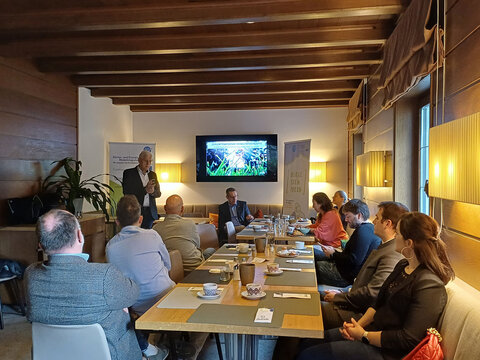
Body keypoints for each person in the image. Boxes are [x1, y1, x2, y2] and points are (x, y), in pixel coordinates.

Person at [297, 212, 455, 360]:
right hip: (372, 332)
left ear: (409, 243)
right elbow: (378, 302)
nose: (395, 237)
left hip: (388, 352)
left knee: (308, 355)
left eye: (398, 234)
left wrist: (364, 335)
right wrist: (358, 326)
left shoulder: (429, 284)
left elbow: (409, 339)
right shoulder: (402, 265)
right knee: (307, 342)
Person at [25, 209, 142, 360]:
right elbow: (134, 294)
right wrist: (120, 304)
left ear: (41, 245)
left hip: (53, 355)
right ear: (80, 236)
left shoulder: (30, 275)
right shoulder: (104, 275)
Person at [321, 201, 408, 330]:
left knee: (308, 309)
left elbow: (373, 293)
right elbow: (364, 283)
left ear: (387, 223)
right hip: (352, 299)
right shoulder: (385, 246)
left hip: (358, 315)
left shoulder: (393, 253)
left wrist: (339, 297)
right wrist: (343, 291)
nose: (373, 222)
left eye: (377, 218)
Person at [106, 195, 174, 359]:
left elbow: (117, 281)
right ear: (141, 219)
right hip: (168, 299)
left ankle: (148, 346)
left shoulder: (111, 247)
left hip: (138, 307)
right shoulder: (152, 235)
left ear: (117, 221)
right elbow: (169, 265)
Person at [316, 199, 381, 287]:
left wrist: (333, 254)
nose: (346, 219)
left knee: (313, 267)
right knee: (314, 256)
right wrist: (333, 253)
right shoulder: (368, 228)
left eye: (348, 216)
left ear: (359, 215)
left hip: (344, 277)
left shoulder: (362, 232)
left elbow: (354, 260)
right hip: (343, 270)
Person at [153, 194, 215, 272]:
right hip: (193, 268)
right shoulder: (190, 224)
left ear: (165, 208)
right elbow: (197, 245)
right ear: (182, 209)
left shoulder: (155, 228)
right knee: (210, 250)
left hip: (171, 270)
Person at [122, 150, 161, 229]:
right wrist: (145, 190)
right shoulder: (129, 173)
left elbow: (158, 193)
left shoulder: (153, 174)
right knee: (135, 236)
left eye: (150, 161)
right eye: (145, 161)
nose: (148, 164)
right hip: (135, 212)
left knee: (147, 237)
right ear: (139, 160)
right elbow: (127, 192)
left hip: (150, 212)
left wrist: (153, 192)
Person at [306, 192, 347, 260]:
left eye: (314, 203)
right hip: (329, 245)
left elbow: (320, 231)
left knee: (307, 250)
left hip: (335, 247)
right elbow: (317, 226)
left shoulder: (330, 214)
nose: (313, 206)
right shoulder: (324, 214)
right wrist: (305, 227)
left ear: (321, 204)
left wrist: (307, 229)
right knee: (306, 247)